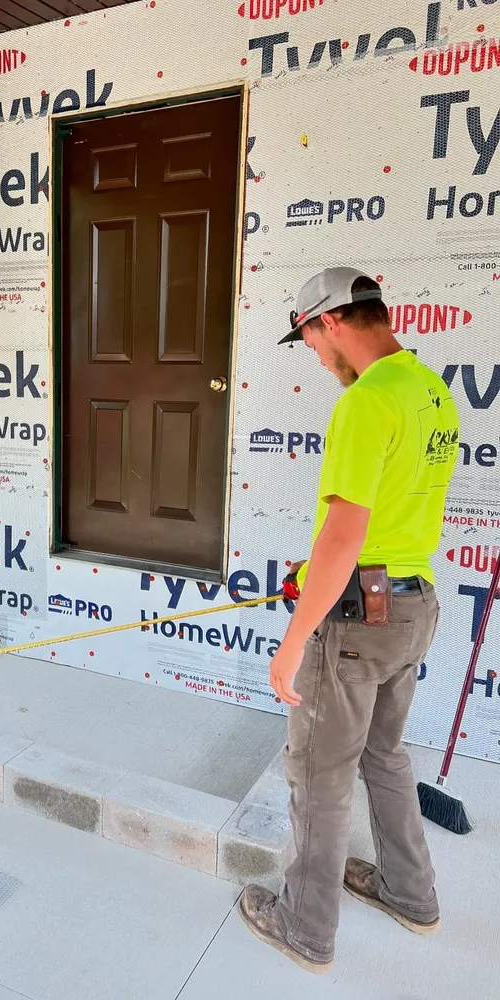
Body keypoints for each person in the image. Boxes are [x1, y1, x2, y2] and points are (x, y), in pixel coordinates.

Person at [238, 267, 460, 974]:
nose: (313, 354)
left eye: (308, 338)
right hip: (413, 607)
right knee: (383, 755)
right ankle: (410, 893)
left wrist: (293, 641)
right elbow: (390, 516)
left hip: (359, 622)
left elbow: (344, 537)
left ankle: (304, 927)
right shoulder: (429, 388)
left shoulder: (366, 402)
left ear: (330, 321)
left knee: (320, 772)